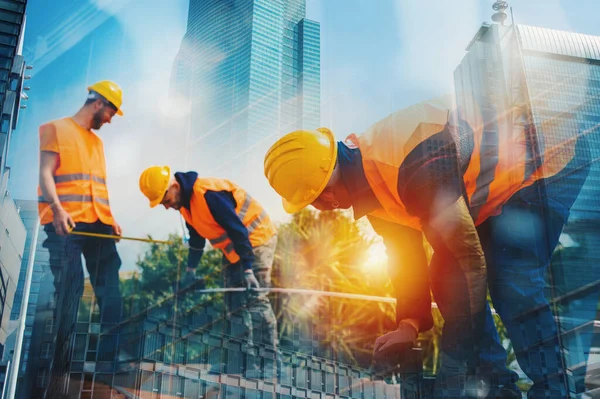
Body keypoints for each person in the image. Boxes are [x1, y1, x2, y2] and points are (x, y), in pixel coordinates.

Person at [263, 96, 591, 398]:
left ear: (326, 195)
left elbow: (468, 262)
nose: (320, 210)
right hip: (492, 188)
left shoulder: (412, 167)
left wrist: (454, 358)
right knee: (446, 280)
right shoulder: (370, 181)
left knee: (510, 277)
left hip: (550, 159)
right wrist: (409, 323)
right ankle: (496, 386)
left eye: (312, 203)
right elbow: (406, 260)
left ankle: (554, 389)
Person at [139, 165, 279, 378]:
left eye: (165, 200)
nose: (166, 206)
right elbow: (196, 240)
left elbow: (238, 229)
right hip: (236, 248)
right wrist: (190, 271)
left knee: (257, 302)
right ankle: (238, 364)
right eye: (162, 204)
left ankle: (271, 366)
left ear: (175, 186)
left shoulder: (208, 194)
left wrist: (249, 268)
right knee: (233, 306)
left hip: (257, 240)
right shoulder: (186, 206)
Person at [37, 80, 125, 362]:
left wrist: (111, 220)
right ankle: (66, 361)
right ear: (98, 103)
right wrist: (57, 209)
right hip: (66, 224)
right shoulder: (55, 129)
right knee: (69, 289)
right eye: (111, 112)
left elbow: (96, 186)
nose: (111, 120)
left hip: (99, 224)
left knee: (111, 289)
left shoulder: (97, 143)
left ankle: (111, 357)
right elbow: (45, 173)